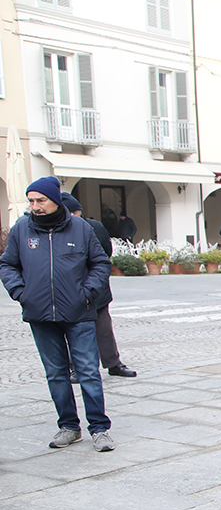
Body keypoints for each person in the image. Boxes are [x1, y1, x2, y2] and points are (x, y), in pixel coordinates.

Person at [0, 177, 114, 451]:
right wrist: (20, 293)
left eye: (40, 200)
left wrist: (88, 292)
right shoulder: (20, 230)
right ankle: (69, 427)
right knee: (55, 373)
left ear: (55, 200)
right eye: (31, 201)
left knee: (87, 371)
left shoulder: (80, 228)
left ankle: (99, 428)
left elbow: (100, 262)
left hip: (79, 312)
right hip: (39, 314)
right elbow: (7, 265)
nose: (35, 206)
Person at [62, 194, 138, 380]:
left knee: (103, 327)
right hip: (69, 288)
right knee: (72, 329)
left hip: (96, 287)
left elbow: (106, 253)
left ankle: (113, 363)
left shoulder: (95, 227)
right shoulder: (58, 230)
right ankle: (74, 366)